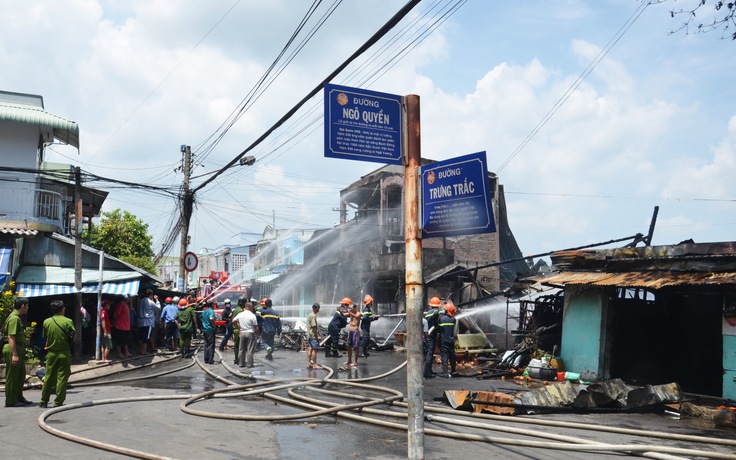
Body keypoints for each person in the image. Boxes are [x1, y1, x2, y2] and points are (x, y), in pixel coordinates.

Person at [40, 300, 75, 408]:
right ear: (62, 309)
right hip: (64, 353)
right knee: (62, 378)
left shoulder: (46, 322)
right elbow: (73, 337)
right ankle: (58, 402)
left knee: (48, 377)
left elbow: (45, 336)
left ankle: (44, 401)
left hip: (51, 354)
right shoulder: (68, 321)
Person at [3, 296, 32, 407]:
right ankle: (11, 400)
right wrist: (14, 354)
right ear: (23, 306)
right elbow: (11, 337)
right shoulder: (14, 319)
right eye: (27, 306)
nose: (28, 308)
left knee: (20, 374)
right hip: (13, 348)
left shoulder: (16, 317)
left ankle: (18, 396)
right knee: (12, 375)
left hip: (17, 348)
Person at [232, 301, 259, 368]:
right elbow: (256, 326)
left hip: (242, 332)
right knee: (250, 349)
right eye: (252, 307)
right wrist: (258, 334)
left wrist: (238, 327)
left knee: (241, 349)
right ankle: (249, 364)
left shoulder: (240, 314)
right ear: (249, 307)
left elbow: (233, 321)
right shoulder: (252, 315)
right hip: (250, 333)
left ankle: (241, 363)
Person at [423, 296, 442, 378]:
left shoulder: (428, 312)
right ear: (438, 305)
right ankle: (427, 373)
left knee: (429, 352)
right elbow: (436, 324)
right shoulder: (436, 312)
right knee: (430, 353)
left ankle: (429, 371)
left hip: (427, 334)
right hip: (431, 334)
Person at [438, 300, 457, 379]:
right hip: (451, 340)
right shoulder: (453, 319)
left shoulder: (442, 319)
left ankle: (445, 372)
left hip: (444, 341)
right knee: (452, 355)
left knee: (444, 356)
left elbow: (439, 328)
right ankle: (453, 370)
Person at [137, 289, 160, 354]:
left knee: (141, 336)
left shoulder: (140, 301)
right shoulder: (150, 301)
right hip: (148, 322)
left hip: (140, 321)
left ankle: (140, 349)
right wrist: (157, 300)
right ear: (150, 295)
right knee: (146, 337)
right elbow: (158, 308)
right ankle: (143, 351)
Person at [112, 295, 132, 359]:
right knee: (119, 341)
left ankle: (126, 352)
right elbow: (115, 315)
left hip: (126, 326)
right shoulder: (121, 304)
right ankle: (119, 353)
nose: (131, 299)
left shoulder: (126, 304)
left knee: (126, 340)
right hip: (120, 326)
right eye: (130, 298)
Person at [345, 302, 361, 367]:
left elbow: (356, 316)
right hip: (350, 331)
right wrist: (340, 311)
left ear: (354, 308)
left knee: (356, 347)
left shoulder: (358, 313)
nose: (350, 309)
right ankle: (349, 360)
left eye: (351, 308)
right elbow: (343, 315)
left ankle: (355, 362)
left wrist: (349, 312)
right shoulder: (351, 313)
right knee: (349, 346)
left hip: (355, 331)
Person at [306, 303, 322, 369]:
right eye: (318, 309)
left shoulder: (309, 314)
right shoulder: (313, 316)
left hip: (309, 335)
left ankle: (309, 363)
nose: (318, 310)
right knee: (315, 350)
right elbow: (314, 327)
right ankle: (315, 364)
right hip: (313, 336)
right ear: (314, 308)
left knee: (310, 348)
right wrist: (317, 336)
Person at [230, 297, 245, 364]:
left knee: (237, 345)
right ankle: (239, 360)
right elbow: (238, 321)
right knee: (240, 346)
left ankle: (237, 359)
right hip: (238, 329)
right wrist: (240, 329)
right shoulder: (240, 311)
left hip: (235, 329)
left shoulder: (236, 309)